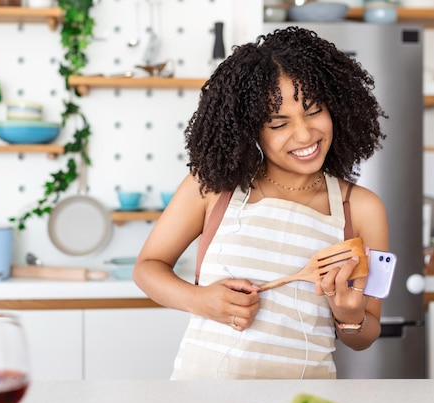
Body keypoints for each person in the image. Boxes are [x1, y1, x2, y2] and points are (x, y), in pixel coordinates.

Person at [133, 26, 389, 380]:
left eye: (313, 111)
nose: (304, 134)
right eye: (279, 123)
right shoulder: (212, 187)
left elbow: (366, 336)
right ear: (250, 130)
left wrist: (350, 316)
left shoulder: (361, 208)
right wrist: (201, 300)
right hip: (204, 398)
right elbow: (147, 267)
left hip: (303, 400)